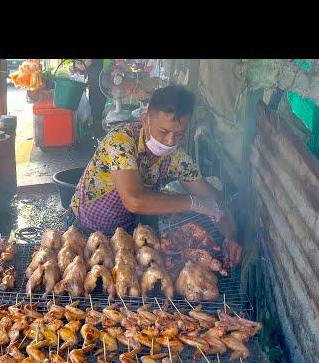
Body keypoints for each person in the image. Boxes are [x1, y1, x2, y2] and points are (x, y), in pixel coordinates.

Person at [67, 84, 243, 267]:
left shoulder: (176, 157)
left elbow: (215, 199)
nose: (170, 141)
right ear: (145, 120)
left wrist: (231, 236)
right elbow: (134, 200)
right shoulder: (120, 141)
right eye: (164, 132)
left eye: (179, 134)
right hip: (85, 230)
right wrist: (191, 202)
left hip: (124, 235)